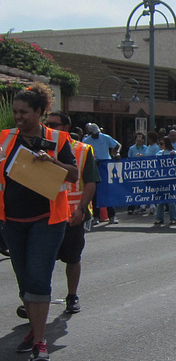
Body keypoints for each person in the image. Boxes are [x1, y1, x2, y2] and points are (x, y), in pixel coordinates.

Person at [0, 84, 78, 360]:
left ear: (39, 112)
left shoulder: (57, 139)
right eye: (15, 112)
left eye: (24, 112)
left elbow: (73, 174)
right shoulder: (4, 139)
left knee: (38, 276)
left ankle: (40, 341)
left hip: (47, 219)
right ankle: (34, 328)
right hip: (12, 220)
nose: (18, 117)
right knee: (24, 281)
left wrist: (51, 162)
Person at [44, 111, 100, 315]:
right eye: (47, 123)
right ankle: (37, 300)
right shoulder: (40, 147)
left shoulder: (83, 150)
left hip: (72, 216)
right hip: (45, 216)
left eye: (54, 124)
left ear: (66, 128)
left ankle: (72, 296)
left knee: (72, 258)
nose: (48, 127)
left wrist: (81, 209)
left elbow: (90, 183)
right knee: (42, 261)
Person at [83, 122, 121, 225]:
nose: (96, 135)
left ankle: (112, 216)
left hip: (105, 166)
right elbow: (84, 153)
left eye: (97, 133)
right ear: (90, 133)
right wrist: (92, 160)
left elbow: (117, 145)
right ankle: (96, 216)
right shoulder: (86, 141)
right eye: (94, 134)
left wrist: (116, 153)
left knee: (107, 191)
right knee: (95, 192)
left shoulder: (105, 137)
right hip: (94, 166)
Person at [155, 137, 176, 226]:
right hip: (161, 179)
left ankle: (173, 218)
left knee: (171, 200)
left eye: (162, 144)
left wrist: (173, 158)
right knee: (160, 200)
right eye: (160, 144)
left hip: (170, 179)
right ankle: (159, 218)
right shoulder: (159, 153)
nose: (160, 146)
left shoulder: (174, 153)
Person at [127, 132, 147, 214]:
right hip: (134, 172)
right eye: (137, 138)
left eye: (140, 138)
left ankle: (142, 206)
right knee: (132, 189)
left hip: (143, 171)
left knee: (142, 189)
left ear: (143, 140)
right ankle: (131, 208)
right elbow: (128, 159)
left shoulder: (146, 148)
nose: (139, 140)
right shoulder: (131, 149)